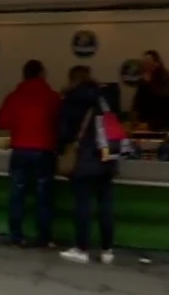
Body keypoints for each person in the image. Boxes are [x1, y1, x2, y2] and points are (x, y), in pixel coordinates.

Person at [0, 60, 61, 248]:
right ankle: (45, 237)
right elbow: (61, 122)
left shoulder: (14, 96)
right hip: (44, 151)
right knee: (44, 196)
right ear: (41, 74)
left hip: (20, 151)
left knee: (17, 194)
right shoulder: (52, 97)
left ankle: (17, 236)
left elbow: (2, 122)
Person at [57, 65, 117, 265]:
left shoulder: (70, 101)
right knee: (105, 205)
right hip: (106, 156)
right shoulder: (104, 98)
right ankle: (107, 250)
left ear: (72, 79)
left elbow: (64, 133)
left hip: (83, 158)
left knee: (83, 205)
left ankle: (82, 249)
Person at [132, 50, 169, 131]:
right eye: (144, 62)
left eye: (148, 62)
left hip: (167, 125)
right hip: (148, 126)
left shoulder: (168, 78)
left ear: (157, 63)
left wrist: (149, 84)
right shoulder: (143, 82)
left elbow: (167, 98)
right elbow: (138, 102)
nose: (145, 65)